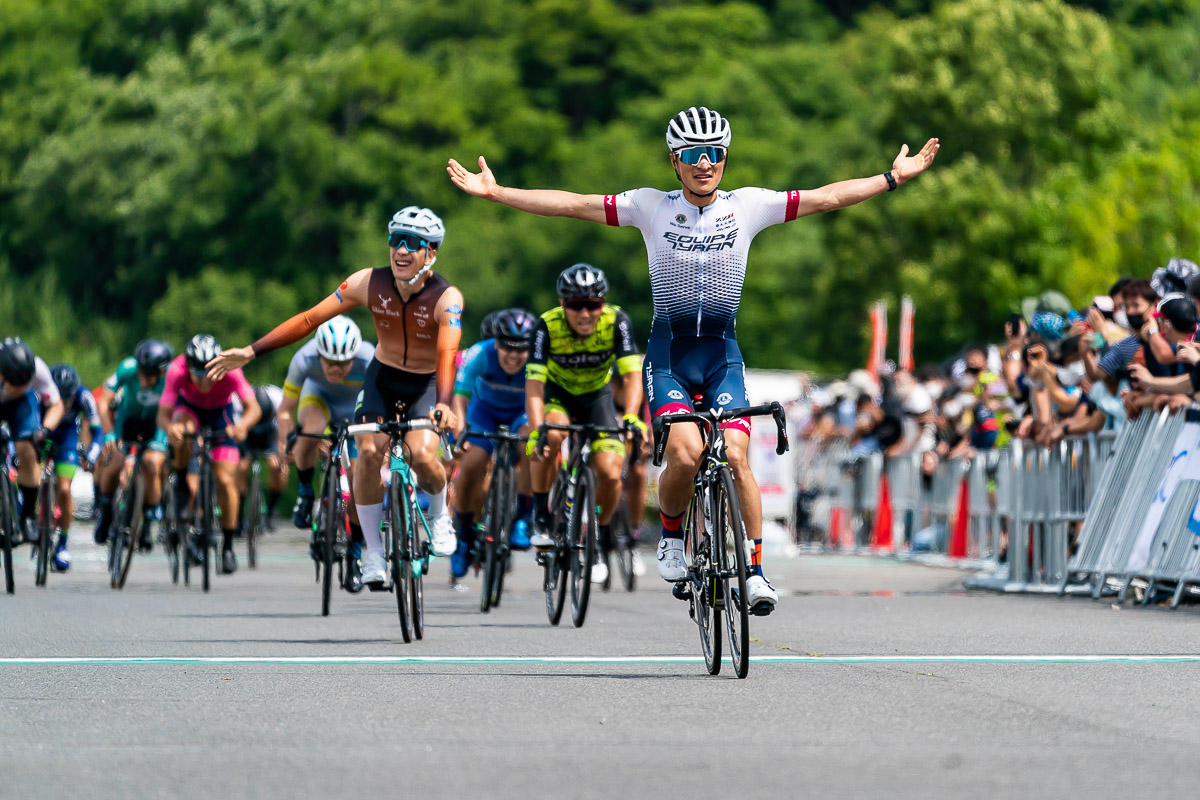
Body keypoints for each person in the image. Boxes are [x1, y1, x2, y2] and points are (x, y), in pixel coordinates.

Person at [449, 107, 938, 612]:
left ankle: (753, 571)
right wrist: (498, 193)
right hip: (669, 357)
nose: (704, 163)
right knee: (683, 453)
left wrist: (890, 178)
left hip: (722, 355)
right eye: (692, 155)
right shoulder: (649, 207)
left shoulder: (748, 206)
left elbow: (826, 196)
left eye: (714, 154)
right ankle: (670, 534)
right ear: (675, 161)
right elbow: (573, 204)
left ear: (725, 159)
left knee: (736, 454)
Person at [205, 206, 464, 587]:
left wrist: (443, 401)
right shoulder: (367, 283)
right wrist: (251, 350)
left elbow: (447, 353)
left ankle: (441, 517)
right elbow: (310, 319)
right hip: (383, 378)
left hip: (426, 384)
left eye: (413, 243)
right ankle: (373, 552)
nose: (401, 250)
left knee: (425, 456)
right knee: (367, 454)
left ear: (432, 253)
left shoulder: (447, 298)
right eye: (395, 240)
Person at [523, 263, 645, 589]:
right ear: (563, 304)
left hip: (597, 398)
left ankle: (598, 528)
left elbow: (633, 374)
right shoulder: (546, 325)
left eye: (593, 305)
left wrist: (631, 414)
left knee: (609, 471)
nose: (586, 313)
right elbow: (534, 385)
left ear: (602, 304)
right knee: (552, 436)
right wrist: (537, 428)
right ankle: (541, 515)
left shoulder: (616, 321)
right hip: (557, 396)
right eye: (577, 305)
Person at [276, 316, 374, 591]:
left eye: (344, 363)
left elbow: (382, 402)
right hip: (319, 399)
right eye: (330, 361)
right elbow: (285, 410)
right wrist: (285, 442)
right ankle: (306, 492)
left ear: (355, 355)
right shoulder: (303, 358)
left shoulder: (369, 358)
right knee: (311, 431)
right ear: (318, 353)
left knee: (359, 484)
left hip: (357, 407)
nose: (337, 368)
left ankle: (355, 555)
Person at [158, 334, 260, 575]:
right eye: (198, 376)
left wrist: (243, 425)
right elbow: (163, 414)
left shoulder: (231, 370)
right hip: (188, 410)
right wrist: (170, 428)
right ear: (188, 368)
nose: (204, 383)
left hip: (220, 416)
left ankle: (227, 546)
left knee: (226, 480)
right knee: (183, 430)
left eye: (209, 376)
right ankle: (182, 480)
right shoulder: (177, 369)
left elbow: (253, 408)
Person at [450, 308, 537, 579]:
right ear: (495, 343)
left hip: (520, 414)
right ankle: (464, 536)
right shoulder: (480, 353)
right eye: (506, 347)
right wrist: (460, 432)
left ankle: (522, 518)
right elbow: (460, 397)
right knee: (472, 464)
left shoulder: (540, 357)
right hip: (482, 413)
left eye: (521, 349)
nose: (513, 355)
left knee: (529, 446)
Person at [95, 339, 173, 547]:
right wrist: (109, 433)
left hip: (155, 424)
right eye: (141, 371)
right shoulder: (127, 368)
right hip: (127, 420)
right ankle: (105, 515)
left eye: (149, 374)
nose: (143, 378)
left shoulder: (171, 378)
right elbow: (103, 401)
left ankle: (147, 523)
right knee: (115, 465)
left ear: (162, 373)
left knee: (153, 464)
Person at [0, 338, 65, 545]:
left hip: (23, 406)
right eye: (15, 384)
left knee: (27, 447)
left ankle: (27, 514)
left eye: (24, 383)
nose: (20, 387)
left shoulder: (38, 369)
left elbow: (56, 405)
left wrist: (44, 430)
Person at [45, 364, 102, 570]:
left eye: (69, 397)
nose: (66, 403)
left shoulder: (84, 396)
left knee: (63, 489)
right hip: (45, 431)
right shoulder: (39, 393)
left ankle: (62, 545)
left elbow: (98, 432)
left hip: (68, 436)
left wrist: (92, 456)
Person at [235, 384, 288, 533]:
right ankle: (238, 515)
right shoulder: (238, 401)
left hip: (270, 433)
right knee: (241, 467)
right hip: (246, 430)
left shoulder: (278, 398)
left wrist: (282, 453)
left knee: (276, 466)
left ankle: (271, 509)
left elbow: (284, 428)